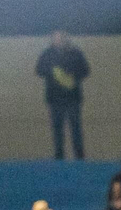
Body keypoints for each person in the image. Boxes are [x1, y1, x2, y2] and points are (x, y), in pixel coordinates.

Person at [37, 31, 90, 160]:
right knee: (57, 130)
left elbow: (85, 70)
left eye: (61, 38)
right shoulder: (47, 54)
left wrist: (72, 75)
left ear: (66, 39)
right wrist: (52, 71)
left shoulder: (76, 53)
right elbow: (39, 70)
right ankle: (59, 158)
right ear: (52, 40)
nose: (59, 40)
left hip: (73, 98)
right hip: (54, 99)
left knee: (76, 129)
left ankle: (79, 157)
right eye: (56, 38)